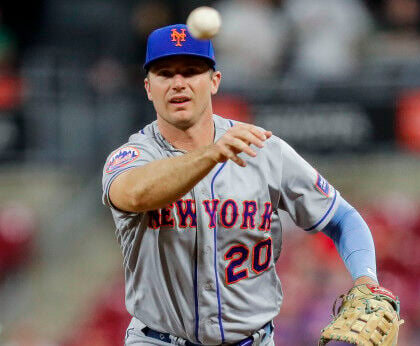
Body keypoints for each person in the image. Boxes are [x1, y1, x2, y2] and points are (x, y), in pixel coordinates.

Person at [101, 24, 384, 345]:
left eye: (191, 71)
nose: (178, 83)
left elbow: (342, 218)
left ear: (214, 81)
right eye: (165, 73)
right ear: (149, 87)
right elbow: (135, 194)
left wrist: (366, 280)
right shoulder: (133, 155)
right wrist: (210, 154)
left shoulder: (263, 150)